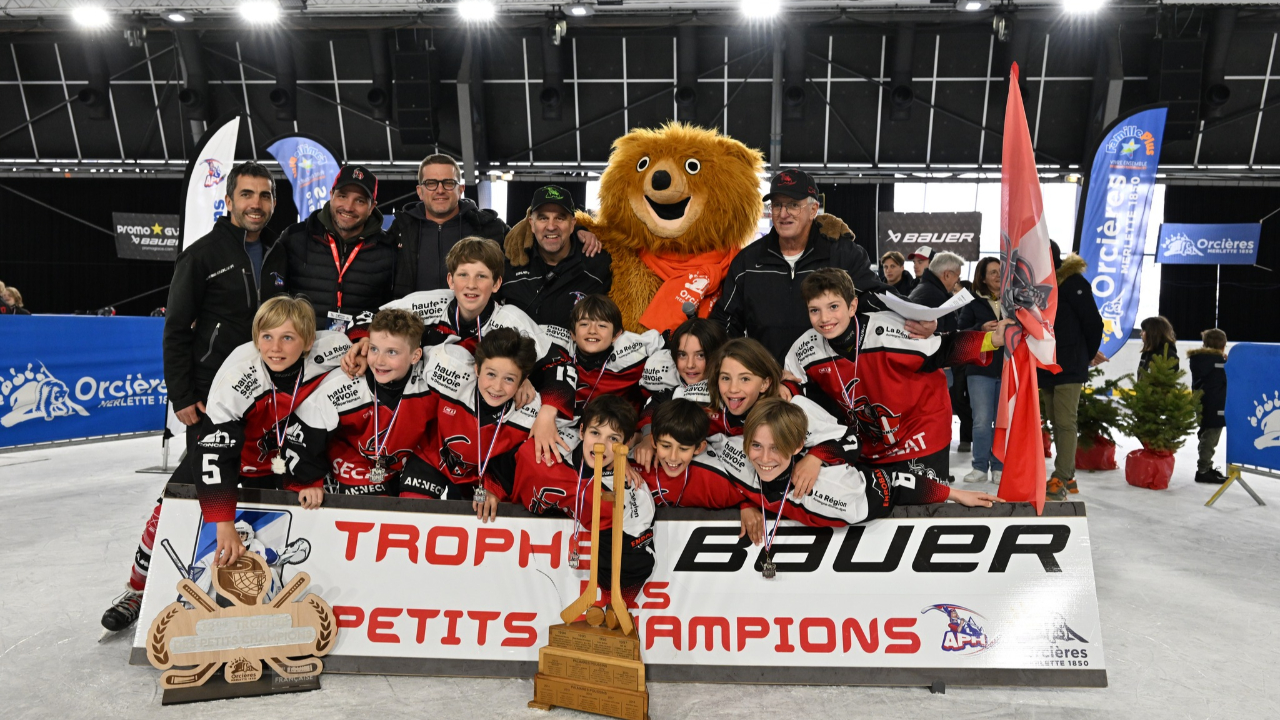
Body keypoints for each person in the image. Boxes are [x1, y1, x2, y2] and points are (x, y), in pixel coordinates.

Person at [100, 296, 345, 632]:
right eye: (267, 337)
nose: (275, 348)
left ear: (308, 340)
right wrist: (223, 521)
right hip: (226, 454)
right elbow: (216, 457)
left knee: (282, 532)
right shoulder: (235, 378)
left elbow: (367, 343)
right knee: (164, 515)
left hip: (279, 460)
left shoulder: (331, 349)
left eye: (288, 337)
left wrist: (361, 353)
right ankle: (138, 590)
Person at [783, 268, 1004, 490]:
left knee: (924, 506)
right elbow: (791, 387)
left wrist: (993, 339)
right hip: (869, 443)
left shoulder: (888, 328)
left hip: (920, 433)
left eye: (833, 307)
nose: (825, 318)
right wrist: (785, 388)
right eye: (815, 310)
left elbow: (944, 348)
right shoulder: (804, 348)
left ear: (852, 306)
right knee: (879, 513)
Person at [729, 399, 1002, 543]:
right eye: (755, 445)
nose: (764, 458)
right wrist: (746, 501)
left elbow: (894, 485)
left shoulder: (839, 489)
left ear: (798, 445)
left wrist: (953, 494)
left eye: (776, 448)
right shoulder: (733, 457)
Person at [164, 161, 286, 450]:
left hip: (267, 386)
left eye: (264, 196)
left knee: (265, 481)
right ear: (229, 201)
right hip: (212, 390)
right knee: (211, 485)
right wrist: (181, 396)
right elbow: (176, 330)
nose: (256, 204)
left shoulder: (279, 252)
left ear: (273, 202)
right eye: (246, 194)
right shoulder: (200, 256)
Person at [492, 395, 655, 605]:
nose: (601, 445)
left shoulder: (633, 493)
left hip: (567, 577)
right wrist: (491, 488)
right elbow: (504, 465)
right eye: (595, 433)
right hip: (519, 563)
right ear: (581, 432)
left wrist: (614, 600)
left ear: (627, 443)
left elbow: (637, 559)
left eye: (613, 439)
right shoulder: (546, 450)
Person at [711, 168, 887, 359]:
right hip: (769, 382)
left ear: (813, 210)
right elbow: (725, 321)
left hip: (831, 380)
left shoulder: (844, 255)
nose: (783, 214)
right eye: (777, 205)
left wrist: (915, 317)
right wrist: (742, 367)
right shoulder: (747, 262)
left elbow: (876, 298)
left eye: (793, 205)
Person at [287, 309, 438, 497]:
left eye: (392, 352)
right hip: (352, 462)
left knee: (416, 508)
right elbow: (301, 435)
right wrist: (308, 481)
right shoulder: (342, 384)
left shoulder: (433, 382)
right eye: (374, 349)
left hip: (414, 461)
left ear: (415, 356)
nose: (380, 361)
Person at [416, 327, 558, 507]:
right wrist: (367, 337)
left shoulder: (533, 410)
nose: (497, 387)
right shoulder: (447, 366)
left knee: (484, 519)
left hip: (481, 479)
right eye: (491, 374)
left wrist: (496, 487)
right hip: (430, 460)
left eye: (509, 379)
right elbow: (409, 345)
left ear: (523, 381)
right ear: (477, 369)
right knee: (411, 510)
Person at [282, 164, 396, 332]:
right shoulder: (295, 237)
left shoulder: (388, 248)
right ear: (331, 195)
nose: (349, 207)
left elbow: (391, 309)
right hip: (302, 346)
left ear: (372, 207)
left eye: (360, 200)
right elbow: (276, 298)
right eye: (343, 196)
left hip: (359, 351)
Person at [500, 185, 611, 349]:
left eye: (560, 218)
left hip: (577, 370)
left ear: (573, 223)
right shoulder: (510, 263)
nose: (551, 226)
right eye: (543, 218)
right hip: (520, 369)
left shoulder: (599, 266)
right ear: (531, 223)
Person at [1038, 242, 1104, 501]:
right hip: (1046, 363)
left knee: (1065, 422)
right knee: (1056, 419)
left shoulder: (1073, 283)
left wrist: (1084, 355)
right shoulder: (1038, 288)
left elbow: (1093, 322)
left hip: (1068, 365)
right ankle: (1070, 474)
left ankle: (1061, 478)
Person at [390, 154, 510, 296]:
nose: (440, 190)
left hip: (475, 318)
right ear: (420, 191)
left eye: (448, 183)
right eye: (431, 183)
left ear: (460, 189)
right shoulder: (400, 230)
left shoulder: (491, 228)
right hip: (412, 318)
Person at [634, 317, 727, 469]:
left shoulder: (731, 389)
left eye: (700, 355)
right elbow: (650, 411)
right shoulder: (667, 387)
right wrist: (647, 437)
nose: (690, 365)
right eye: (682, 355)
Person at [640, 398, 746, 510]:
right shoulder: (634, 465)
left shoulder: (715, 481)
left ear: (699, 448)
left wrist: (747, 505)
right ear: (653, 441)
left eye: (683, 449)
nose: (673, 457)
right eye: (666, 446)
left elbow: (751, 494)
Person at [957, 257, 1005, 483]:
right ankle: (979, 467)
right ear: (983, 278)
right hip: (980, 371)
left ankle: (999, 467)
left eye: (1000, 272)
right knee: (982, 421)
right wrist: (981, 328)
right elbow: (961, 333)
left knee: (1002, 421)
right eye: (993, 272)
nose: (998, 276)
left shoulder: (1013, 302)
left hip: (1007, 370)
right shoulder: (973, 303)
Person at [1189, 328, 1228, 484]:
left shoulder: (1198, 359)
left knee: (1205, 432)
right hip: (1215, 403)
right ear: (1223, 345)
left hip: (1201, 402)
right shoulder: (1219, 362)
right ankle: (1203, 470)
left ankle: (1205, 467)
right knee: (1211, 436)